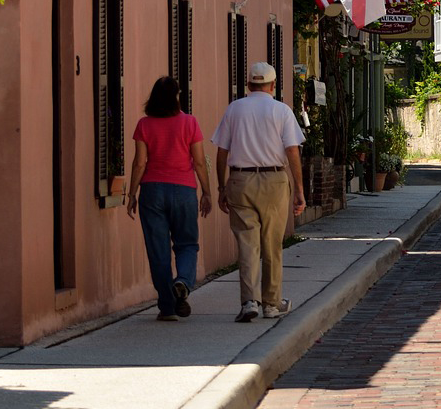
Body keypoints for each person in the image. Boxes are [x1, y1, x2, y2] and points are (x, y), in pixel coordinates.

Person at [213, 62, 306, 323]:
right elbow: (292, 151)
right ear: (273, 85)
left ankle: (249, 301)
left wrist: (222, 186)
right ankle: (272, 303)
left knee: (247, 244)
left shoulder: (234, 109)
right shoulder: (281, 111)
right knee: (272, 245)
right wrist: (299, 188)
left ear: (248, 85)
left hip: (240, 179)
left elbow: (221, 151)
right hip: (274, 179)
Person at [126, 77, 212, 321]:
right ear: (177, 96)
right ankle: (183, 281)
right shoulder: (190, 122)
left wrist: (132, 193)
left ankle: (167, 306)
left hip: (152, 192)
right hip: (183, 191)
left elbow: (140, 163)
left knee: (158, 251)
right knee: (186, 244)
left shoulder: (144, 125)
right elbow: (198, 161)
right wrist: (206, 191)